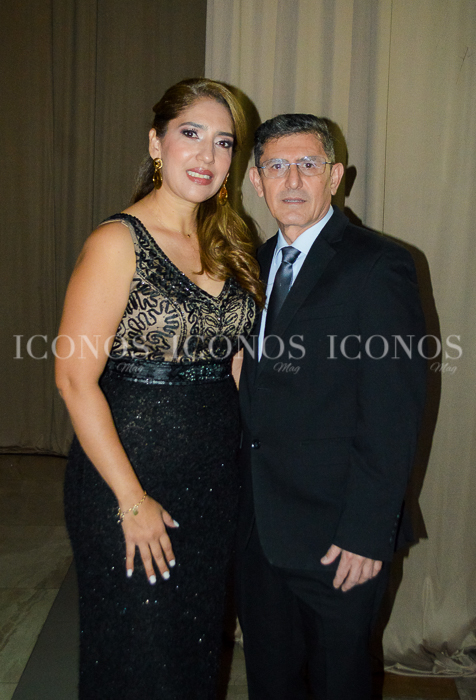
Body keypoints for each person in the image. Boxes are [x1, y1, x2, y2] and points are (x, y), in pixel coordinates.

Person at [55, 78, 264, 700]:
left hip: (214, 481)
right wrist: (131, 499)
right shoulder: (116, 242)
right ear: (156, 143)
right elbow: (73, 378)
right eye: (190, 134)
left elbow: (234, 363)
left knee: (192, 652)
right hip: (129, 475)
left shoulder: (231, 241)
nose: (206, 155)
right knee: (139, 656)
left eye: (223, 142)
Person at [236, 114, 427, 699]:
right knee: (271, 683)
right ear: (256, 180)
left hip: (339, 539)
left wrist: (368, 533)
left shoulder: (378, 265)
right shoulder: (250, 266)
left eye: (308, 164)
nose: (292, 180)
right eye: (276, 166)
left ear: (336, 176)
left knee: (339, 684)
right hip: (259, 534)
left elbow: (393, 413)